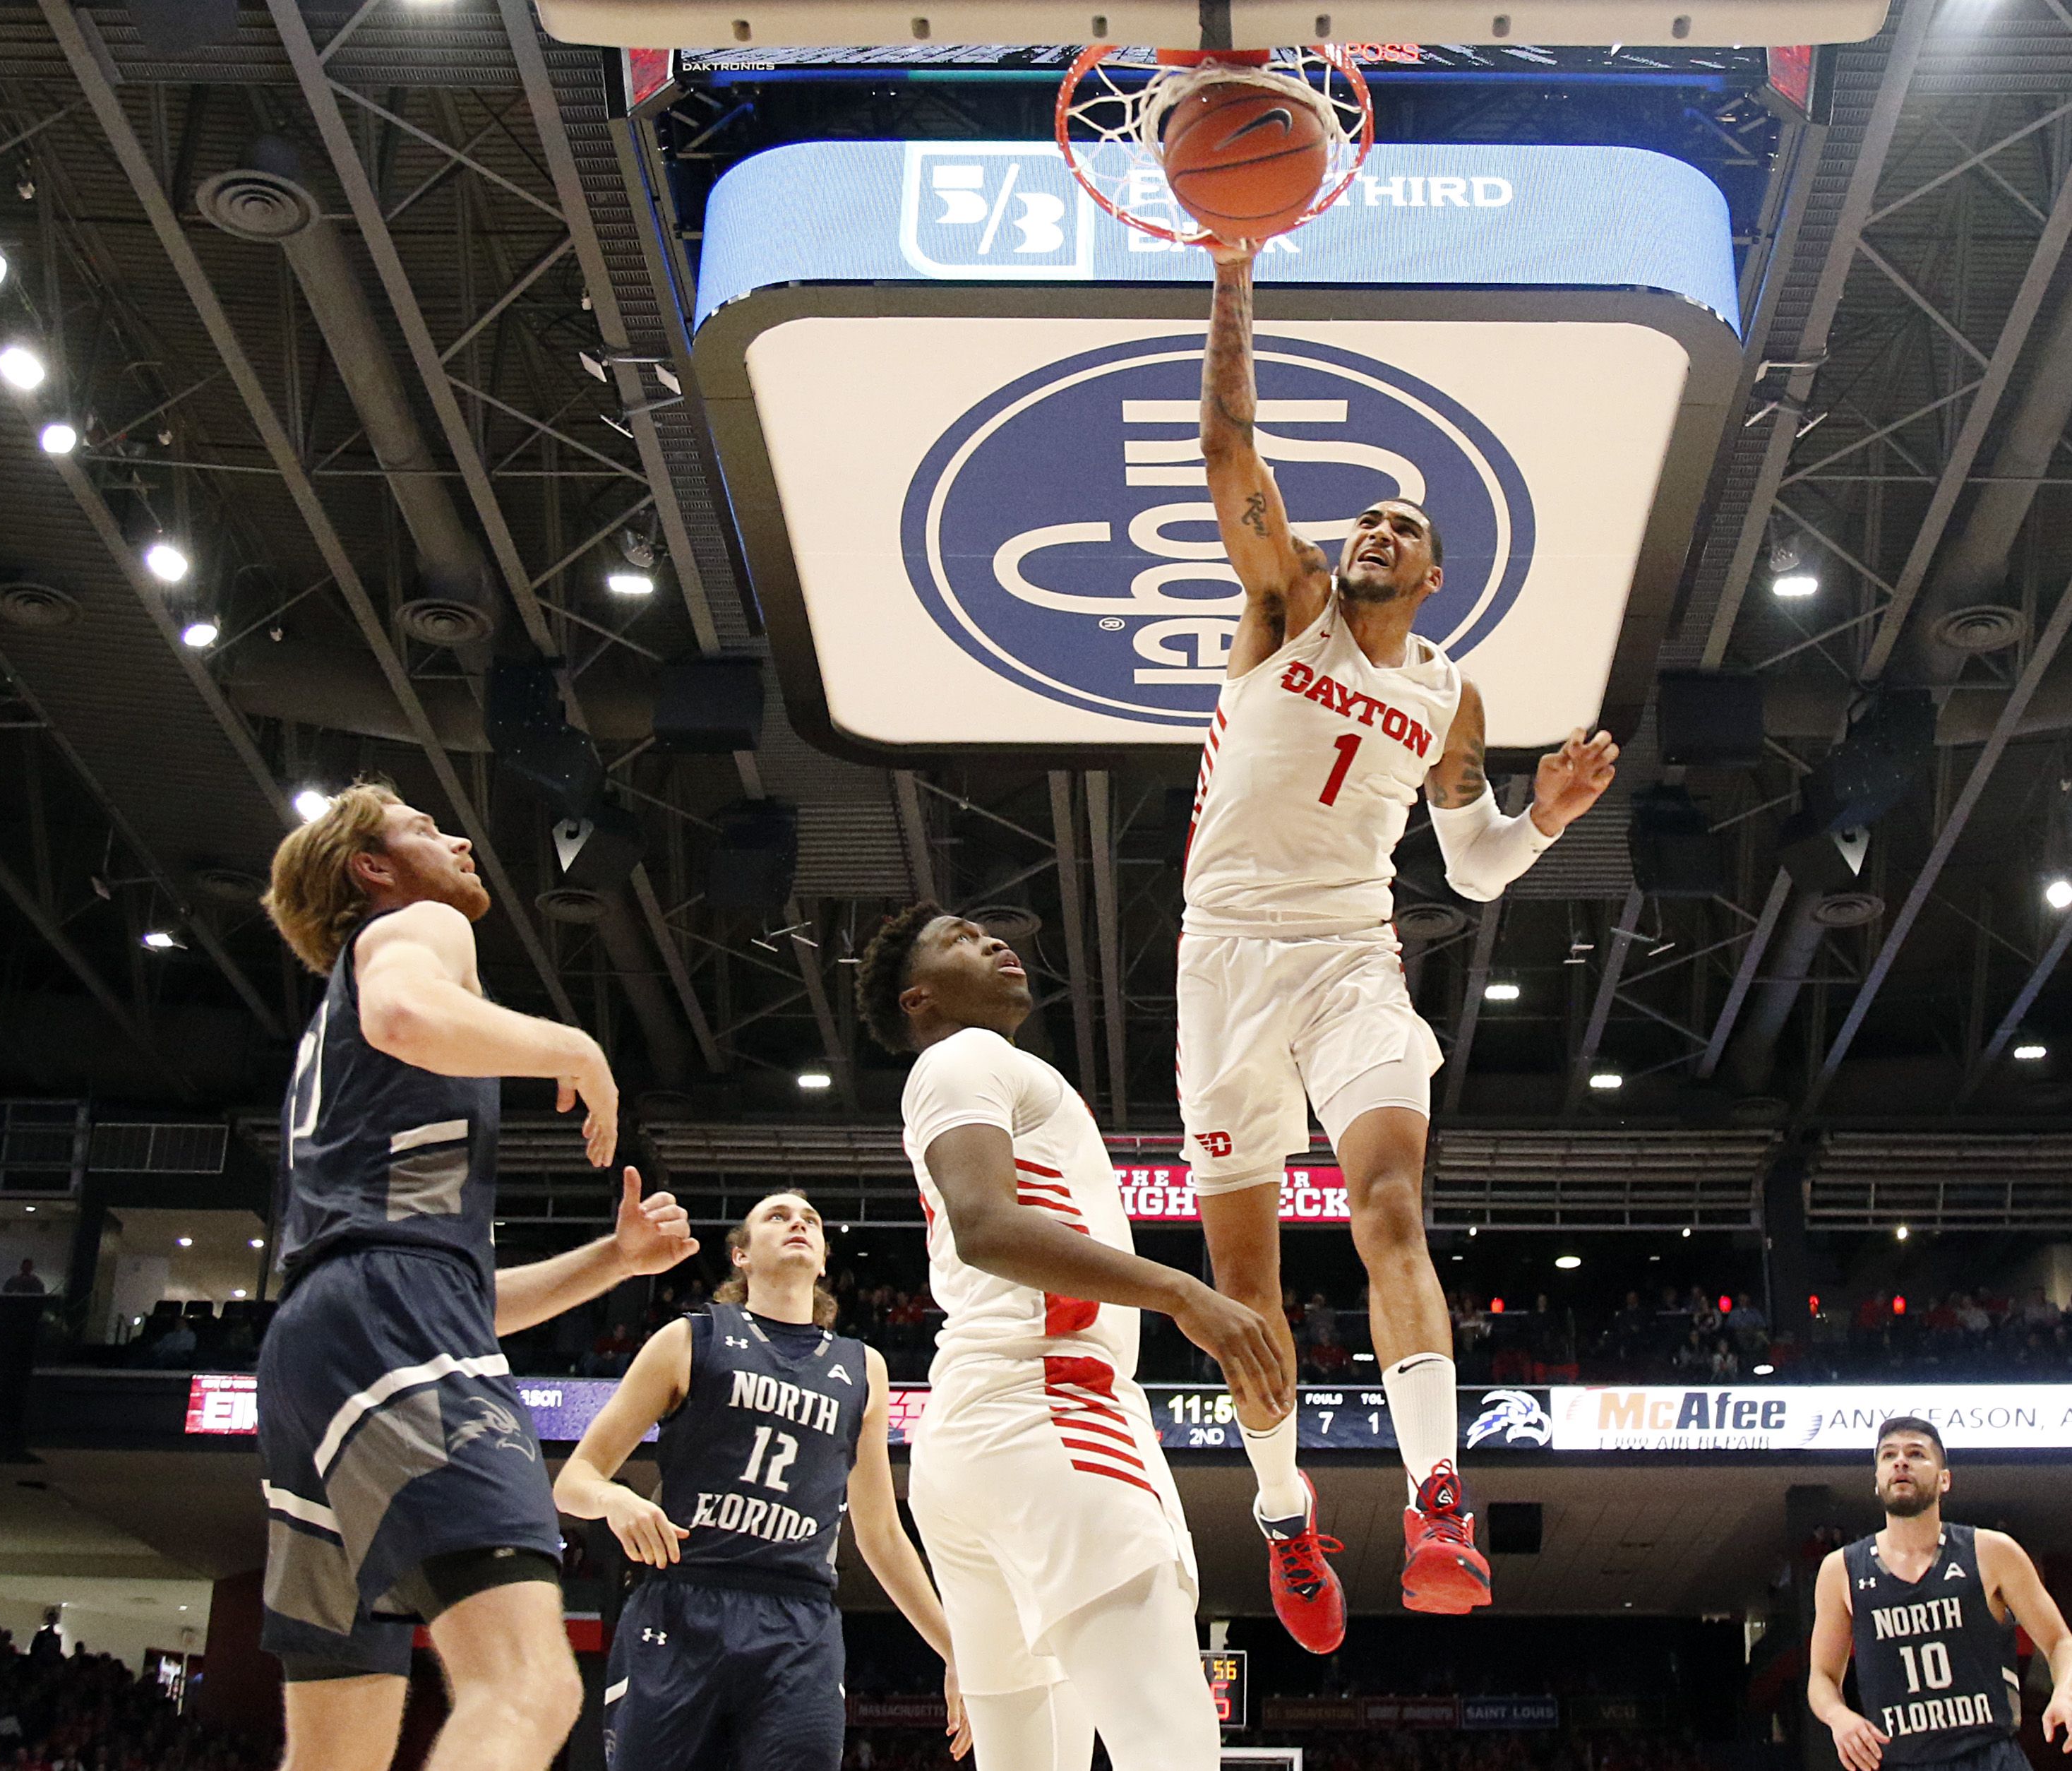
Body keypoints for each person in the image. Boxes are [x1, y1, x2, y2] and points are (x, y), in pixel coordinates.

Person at [1186, 240, 1619, 1644]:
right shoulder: (1284, 602)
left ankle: (1439, 1496)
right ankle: (1283, 1521)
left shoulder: (1450, 697)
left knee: (1390, 1212)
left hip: (1351, 954)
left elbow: (1473, 863)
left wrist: (1542, 816)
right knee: (1245, 1291)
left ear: (1436, 575)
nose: (1374, 532)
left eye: (1401, 530)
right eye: (1364, 519)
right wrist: (1234, 277)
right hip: (1225, 960)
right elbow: (1225, 442)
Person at [256, 780, 699, 1771]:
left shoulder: (328, 1038)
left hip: (320, 1342)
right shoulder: (414, 926)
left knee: (336, 1754)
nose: (456, 836)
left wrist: (613, 1261)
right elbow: (408, 1016)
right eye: (421, 827)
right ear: (373, 869)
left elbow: (454, 1289)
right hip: (388, 1320)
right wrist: (576, 1047)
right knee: (529, 1686)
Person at [858, 903, 1281, 1771]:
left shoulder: (976, 1068)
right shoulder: (968, 1055)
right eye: (961, 939)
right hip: (1052, 1411)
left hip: (976, 1440)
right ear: (919, 997)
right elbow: (984, 1225)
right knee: (1171, 1748)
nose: (994, 940)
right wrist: (1181, 1293)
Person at [554, 1189, 971, 1771]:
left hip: (798, 1621)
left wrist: (956, 1650)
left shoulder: (862, 1368)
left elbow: (878, 1533)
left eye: (811, 1221)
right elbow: (573, 1478)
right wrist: (613, 1499)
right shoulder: (688, 1340)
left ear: (825, 1259)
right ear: (742, 1256)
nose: (797, 1224)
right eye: (777, 1217)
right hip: (683, 1600)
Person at [1808, 1417, 2072, 1771]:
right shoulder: (1842, 1569)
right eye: (1888, 1455)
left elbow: (2060, 1643)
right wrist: (1838, 1716)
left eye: (1916, 1454)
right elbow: (1822, 1676)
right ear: (1877, 1483)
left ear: (1945, 1479)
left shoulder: (1991, 1552)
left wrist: (2064, 1696)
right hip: (1898, 1761)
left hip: (1989, 1757)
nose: (1901, 1462)